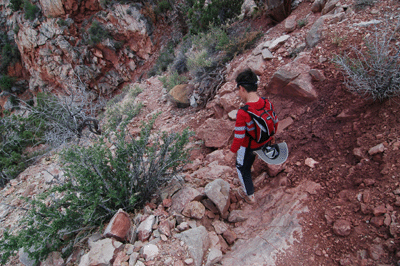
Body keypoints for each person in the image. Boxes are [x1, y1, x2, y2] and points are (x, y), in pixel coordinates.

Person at [229, 69, 278, 204]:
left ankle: (249, 195)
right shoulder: (267, 102)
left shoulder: (243, 112)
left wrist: (231, 152)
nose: (239, 93)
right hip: (264, 142)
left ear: (242, 88)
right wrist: (272, 136)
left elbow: (239, 137)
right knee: (248, 161)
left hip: (249, 146)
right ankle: (251, 166)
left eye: (238, 90)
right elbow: (275, 121)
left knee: (241, 167)